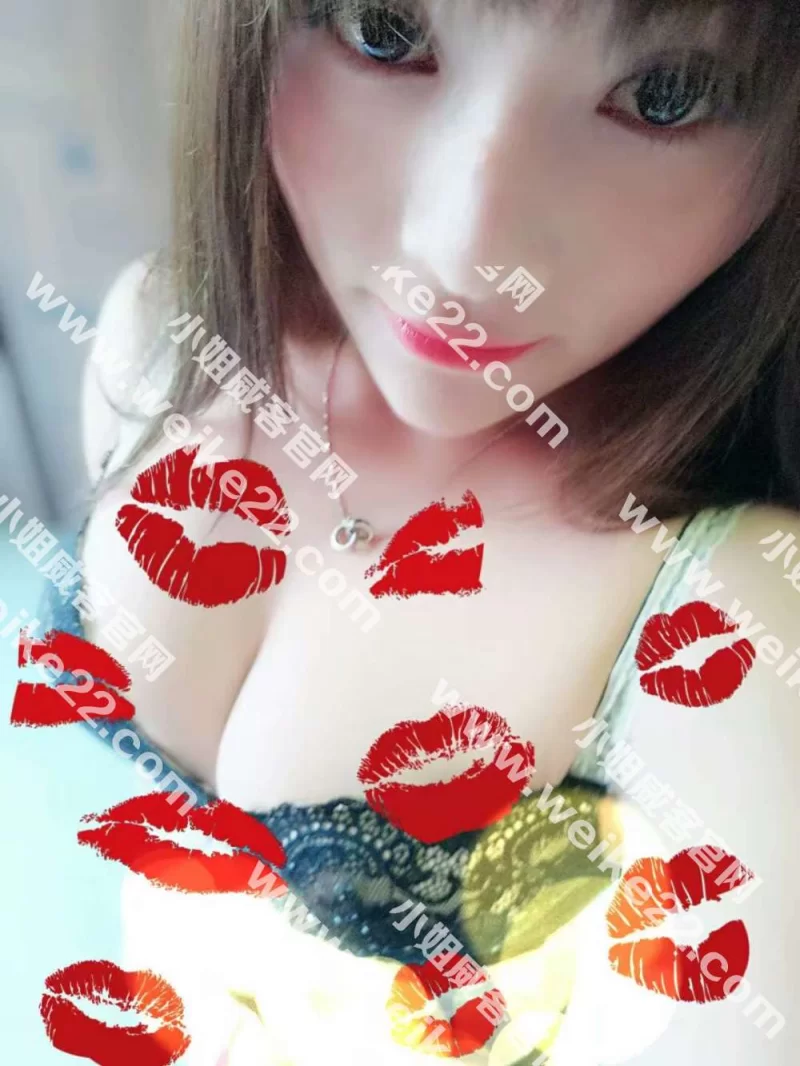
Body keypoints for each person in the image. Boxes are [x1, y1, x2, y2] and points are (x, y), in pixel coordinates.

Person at [50, 0, 800, 1062]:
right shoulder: (158, 334)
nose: (462, 250)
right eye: (384, 30)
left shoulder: (735, 615)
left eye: (665, 94)